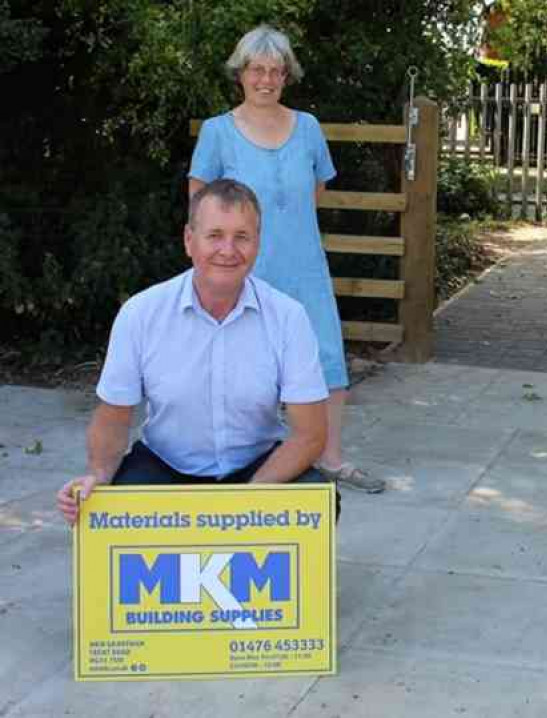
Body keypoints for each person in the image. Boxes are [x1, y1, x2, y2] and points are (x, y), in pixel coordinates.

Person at [56, 179, 338, 525]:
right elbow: (114, 416)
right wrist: (97, 476)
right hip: (165, 465)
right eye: (215, 235)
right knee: (104, 511)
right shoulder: (141, 313)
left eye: (242, 237)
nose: (228, 249)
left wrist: (247, 501)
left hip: (258, 466)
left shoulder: (288, 317)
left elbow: (311, 434)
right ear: (189, 240)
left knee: (318, 501)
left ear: (258, 244)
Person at [188, 25, 384, 493]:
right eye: (258, 69)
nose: (267, 80)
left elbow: (316, 190)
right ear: (241, 73)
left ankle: (331, 458)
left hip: (304, 267)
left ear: (286, 76)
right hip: (240, 272)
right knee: (235, 364)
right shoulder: (217, 132)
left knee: (327, 361)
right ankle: (239, 459)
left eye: (277, 71)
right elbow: (199, 203)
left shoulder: (309, 128)